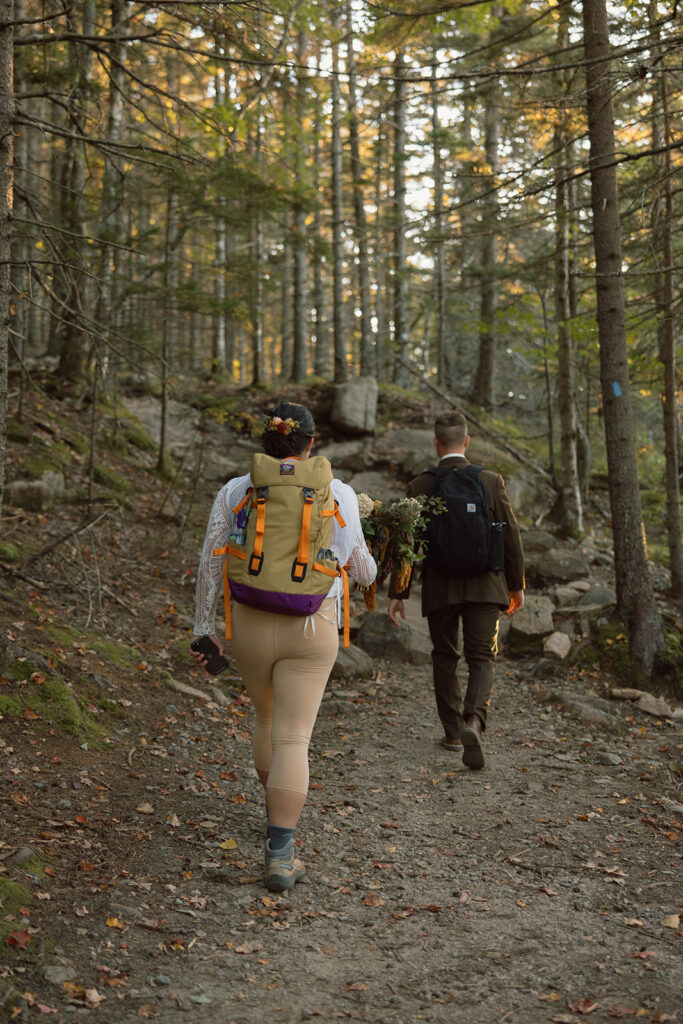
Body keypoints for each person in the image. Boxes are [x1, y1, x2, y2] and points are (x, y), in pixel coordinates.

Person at [191, 402, 377, 892]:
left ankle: (274, 809)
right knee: (295, 737)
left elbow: (211, 562)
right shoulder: (337, 492)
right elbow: (363, 571)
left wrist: (202, 627)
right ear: (311, 443)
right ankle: (280, 851)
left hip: (249, 623)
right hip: (313, 627)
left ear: (266, 443)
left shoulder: (236, 490)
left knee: (268, 720)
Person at [387, 409, 525, 771]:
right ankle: (473, 722)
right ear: (466, 442)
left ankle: (451, 733)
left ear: (436, 444)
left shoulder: (421, 485)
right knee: (482, 657)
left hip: (440, 587)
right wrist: (517, 585)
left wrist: (398, 594)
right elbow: (510, 535)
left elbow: (407, 545)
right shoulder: (492, 481)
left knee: (445, 656)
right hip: (486, 584)